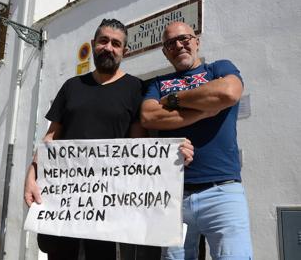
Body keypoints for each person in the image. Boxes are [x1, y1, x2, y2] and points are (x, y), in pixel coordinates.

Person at [24, 19, 194, 260]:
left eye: (116, 44)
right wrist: (31, 175)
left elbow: (140, 146)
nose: (109, 48)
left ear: (125, 51)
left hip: (108, 207)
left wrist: (173, 152)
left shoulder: (136, 88)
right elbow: (51, 137)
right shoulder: (71, 87)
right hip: (63, 200)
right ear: (93, 45)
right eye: (103, 41)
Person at [141, 21, 253, 260]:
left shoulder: (219, 68)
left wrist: (171, 100)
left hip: (222, 191)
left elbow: (227, 93)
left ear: (197, 41)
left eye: (184, 38)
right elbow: (149, 116)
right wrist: (205, 109)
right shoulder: (157, 83)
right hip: (173, 196)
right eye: (170, 43)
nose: (179, 45)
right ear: (164, 51)